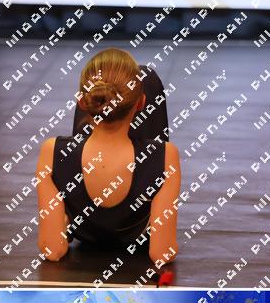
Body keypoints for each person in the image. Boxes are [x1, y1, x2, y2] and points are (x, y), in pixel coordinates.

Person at [35, 47, 181, 266]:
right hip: (136, 234)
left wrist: (61, 223)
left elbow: (52, 250)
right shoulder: (166, 154)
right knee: (147, 77)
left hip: (85, 231)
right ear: (142, 103)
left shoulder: (51, 150)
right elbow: (162, 254)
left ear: (82, 102)